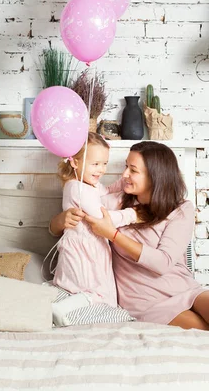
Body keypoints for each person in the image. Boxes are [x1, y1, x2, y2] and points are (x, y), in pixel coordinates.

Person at [49, 141, 209, 359]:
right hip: (144, 300)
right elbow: (67, 225)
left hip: (182, 287)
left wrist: (113, 235)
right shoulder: (113, 203)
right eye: (126, 166)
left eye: (133, 170)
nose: (124, 174)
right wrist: (60, 220)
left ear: (155, 176)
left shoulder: (180, 208)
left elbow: (163, 263)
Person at [51, 132, 138, 326]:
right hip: (82, 249)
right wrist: (131, 215)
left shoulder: (89, 183)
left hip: (93, 247)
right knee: (93, 291)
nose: (101, 170)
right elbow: (101, 218)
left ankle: (70, 310)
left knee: (99, 290)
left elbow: (105, 191)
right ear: (75, 162)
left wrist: (123, 184)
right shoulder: (76, 187)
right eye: (95, 164)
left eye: (104, 163)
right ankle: (61, 309)